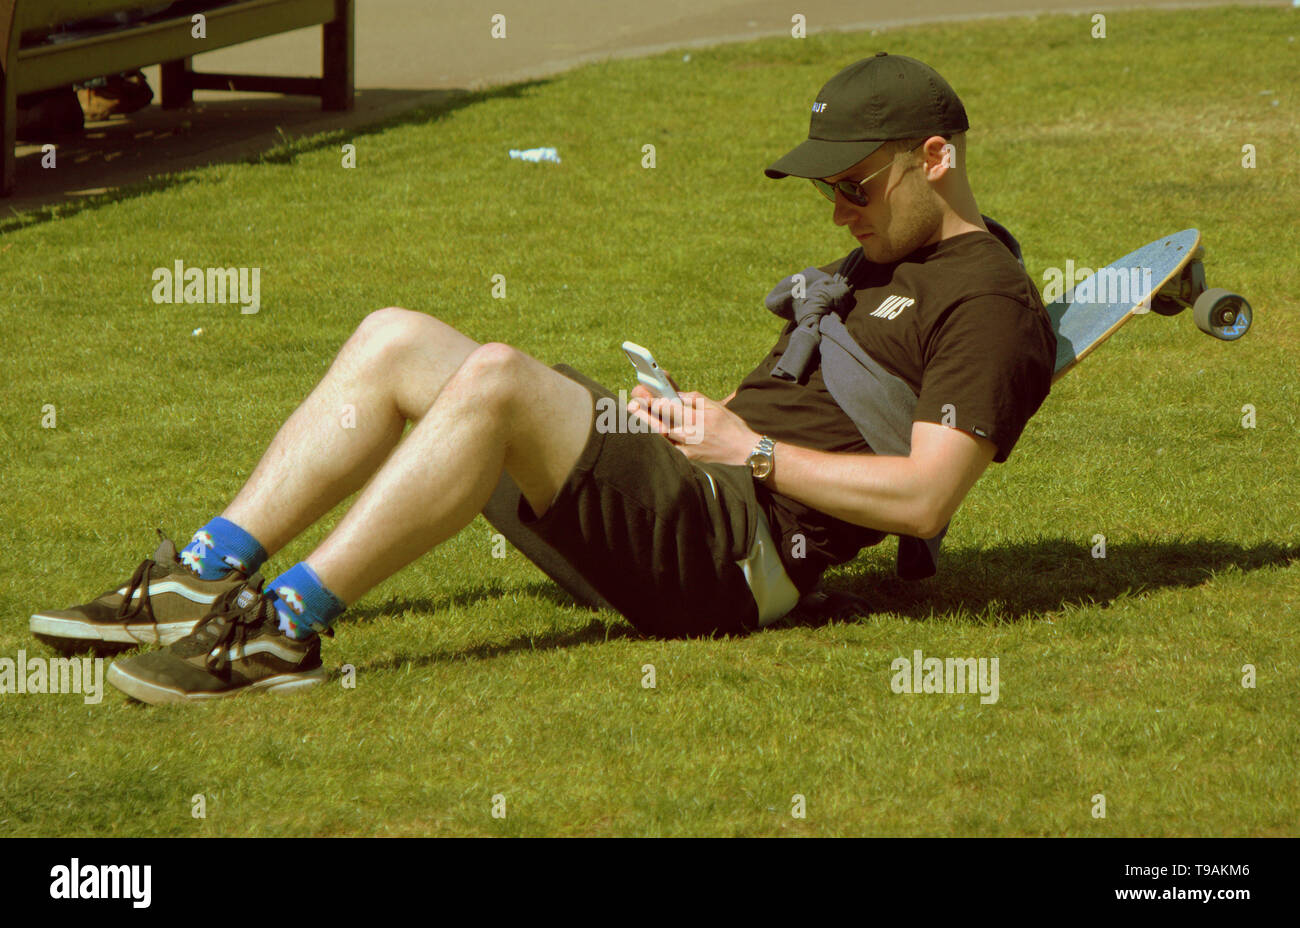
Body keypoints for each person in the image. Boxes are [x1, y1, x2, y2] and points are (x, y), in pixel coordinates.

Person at [30, 53, 1056, 705]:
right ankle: (200, 572)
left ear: (933, 158)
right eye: (826, 187)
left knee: (496, 380)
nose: (836, 210)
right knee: (396, 335)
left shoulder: (985, 301)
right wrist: (690, 421)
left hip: (736, 556)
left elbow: (924, 499)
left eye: (853, 184)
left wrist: (742, 449)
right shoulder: (886, 258)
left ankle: (284, 629)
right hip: (696, 489)